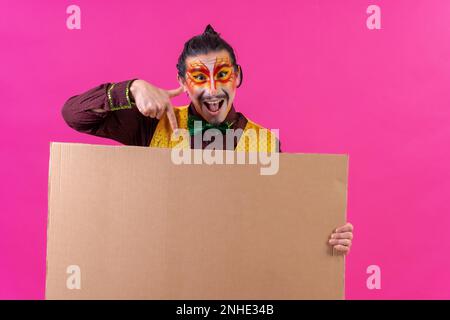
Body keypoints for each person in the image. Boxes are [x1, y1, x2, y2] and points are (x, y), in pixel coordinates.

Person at [62, 24, 353, 254]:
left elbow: (275, 226)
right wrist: (131, 89)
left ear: (237, 76)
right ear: (182, 83)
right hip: (165, 276)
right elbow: (74, 114)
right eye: (199, 78)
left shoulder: (266, 143)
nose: (212, 90)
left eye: (223, 74)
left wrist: (326, 241)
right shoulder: (153, 125)